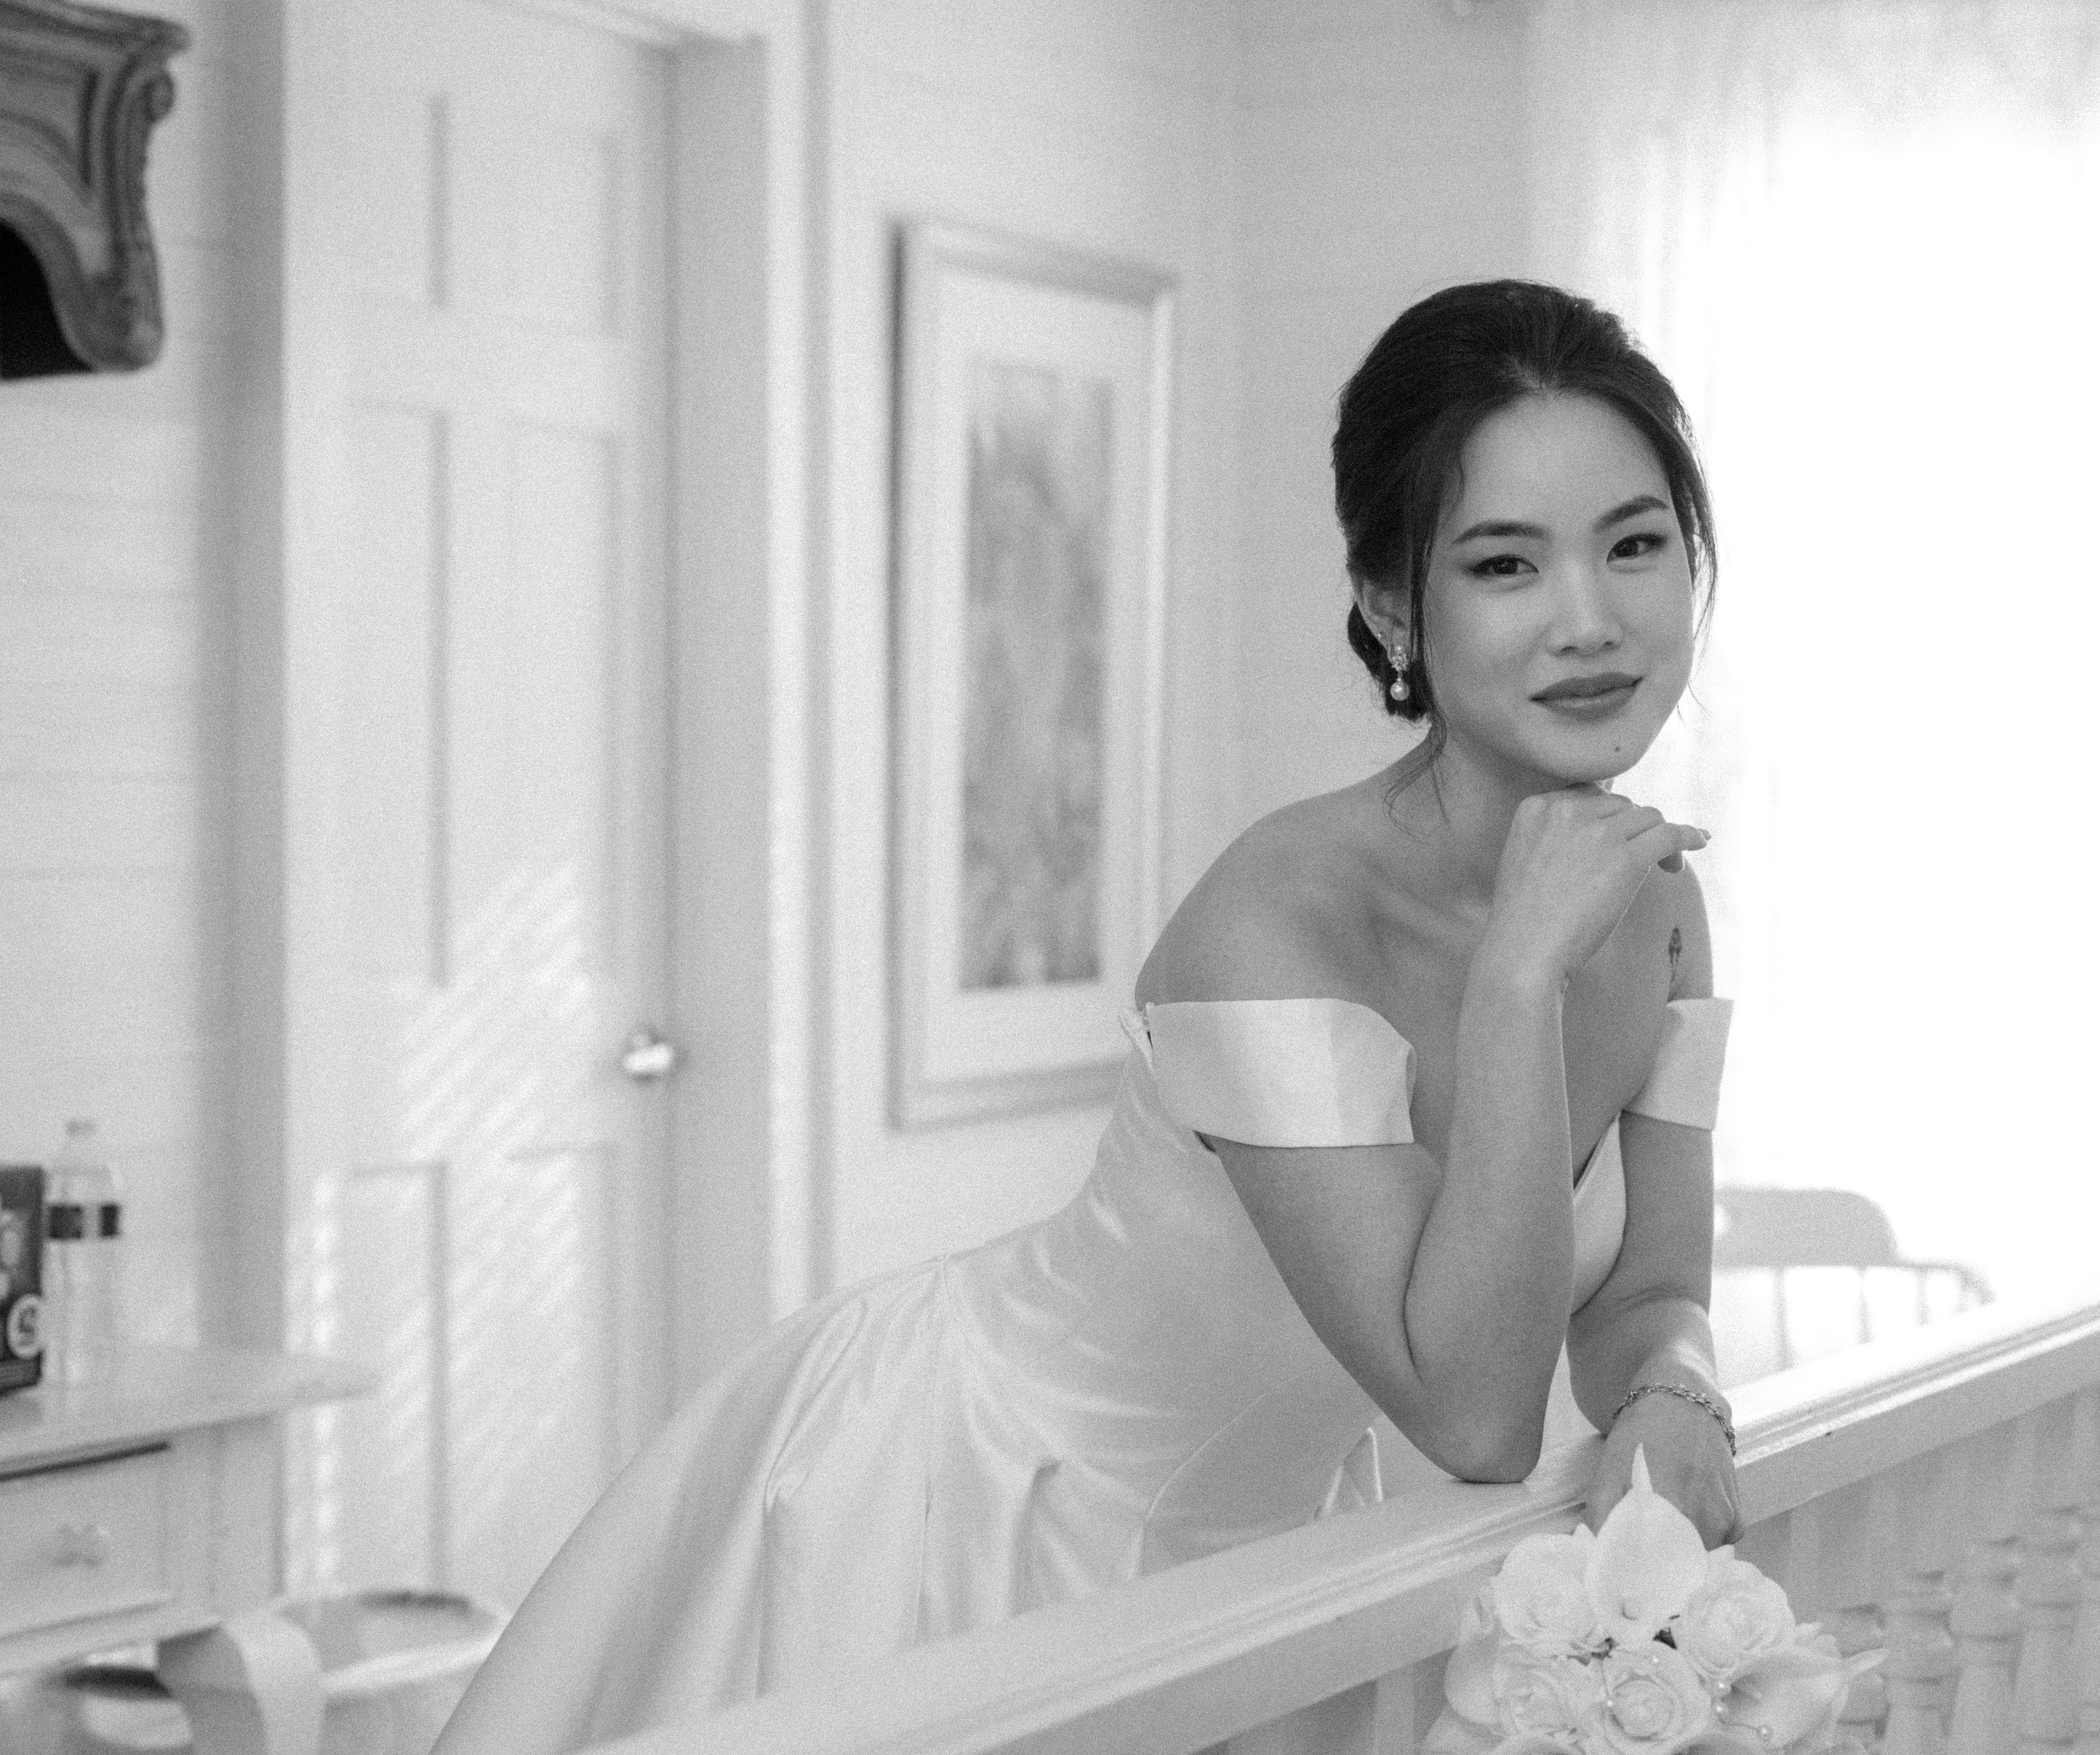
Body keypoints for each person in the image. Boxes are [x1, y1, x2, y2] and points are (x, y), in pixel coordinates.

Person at [433, 278, 1737, 1753]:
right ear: (1394, 607)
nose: (1590, 620)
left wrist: (1678, 1391)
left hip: (1276, 1554)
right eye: (1506, 563)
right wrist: (1515, 983)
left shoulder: (1657, 903)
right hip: (984, 1507)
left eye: (1635, 545)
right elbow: (1477, 1418)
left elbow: (1646, 1292)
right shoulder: (1279, 923)